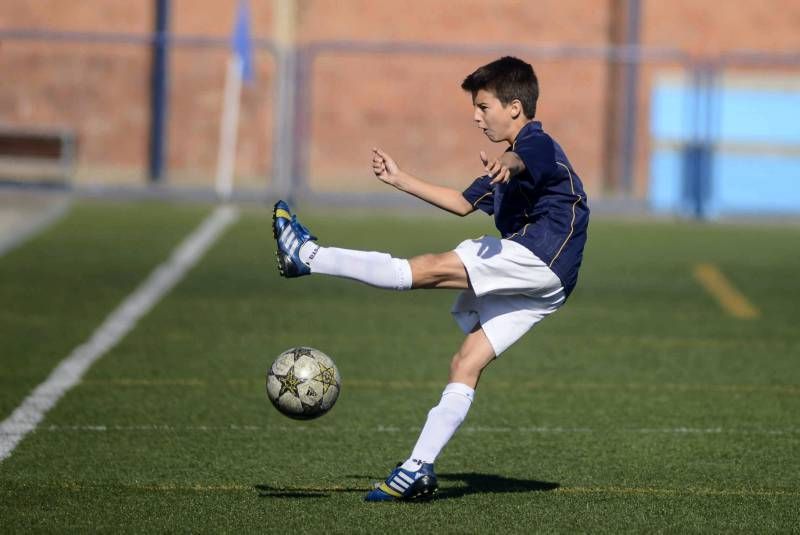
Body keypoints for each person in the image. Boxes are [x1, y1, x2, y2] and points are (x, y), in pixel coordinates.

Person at [272, 56, 589, 502]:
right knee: (466, 363)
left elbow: (521, 160)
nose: (475, 117)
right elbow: (462, 203)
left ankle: (307, 255)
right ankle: (418, 468)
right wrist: (401, 180)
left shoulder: (536, 142)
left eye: (483, 107)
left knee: (426, 267)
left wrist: (506, 165)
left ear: (515, 107)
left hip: (542, 255)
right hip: (551, 282)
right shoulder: (503, 166)